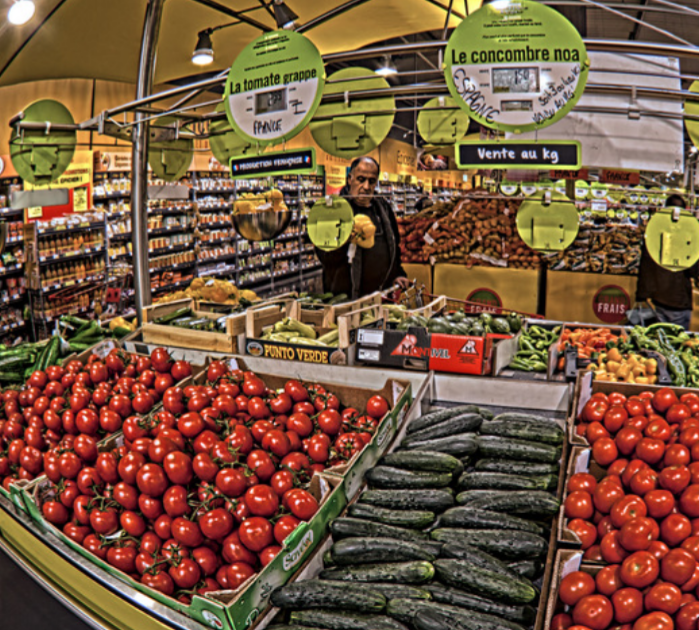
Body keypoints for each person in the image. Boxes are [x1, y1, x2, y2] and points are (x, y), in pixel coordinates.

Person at [315, 156, 409, 298]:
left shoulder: (383, 208)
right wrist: (344, 238)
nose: (366, 186)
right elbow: (325, 257)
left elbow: (394, 245)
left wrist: (398, 273)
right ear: (350, 179)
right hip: (345, 299)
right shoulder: (333, 211)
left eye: (372, 181)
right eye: (361, 179)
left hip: (382, 296)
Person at [636, 194, 698, 330]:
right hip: (679, 301)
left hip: (658, 299)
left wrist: (642, 295)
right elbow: (694, 270)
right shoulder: (689, 236)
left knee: (659, 337)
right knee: (678, 339)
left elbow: (646, 266)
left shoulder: (654, 233)